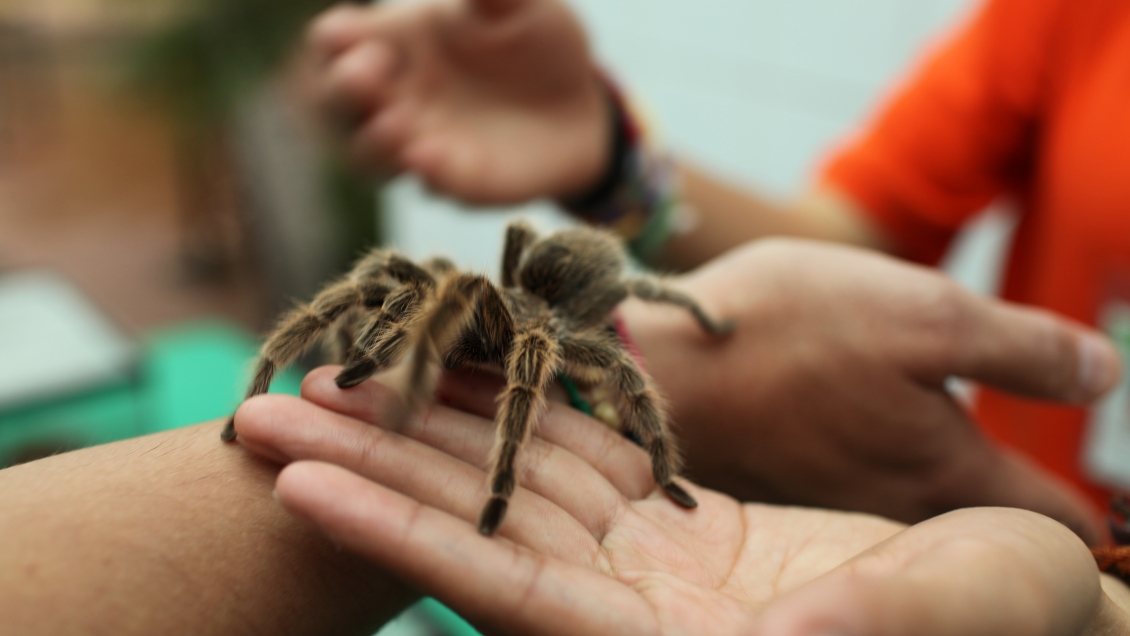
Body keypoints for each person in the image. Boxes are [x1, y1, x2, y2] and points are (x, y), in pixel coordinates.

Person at [2, 238, 1124, 633]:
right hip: (516, 292)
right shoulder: (457, 291)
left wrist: (682, 345)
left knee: (558, 339)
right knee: (413, 280)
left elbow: (609, 324)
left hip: (565, 302)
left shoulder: (552, 329)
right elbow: (413, 298)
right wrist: (295, 367)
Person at [300, 0, 1129, 516]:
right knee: (405, 282)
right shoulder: (1074, 14)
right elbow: (852, 252)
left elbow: (631, 344)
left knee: (592, 350)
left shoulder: (568, 334)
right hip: (1030, 530)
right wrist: (608, 154)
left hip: (1056, 549)